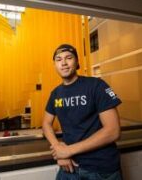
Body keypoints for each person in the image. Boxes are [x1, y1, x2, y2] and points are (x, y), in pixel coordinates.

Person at [42, 44, 123, 180]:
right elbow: (46, 123)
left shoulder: (96, 85)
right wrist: (58, 148)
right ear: (55, 65)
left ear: (77, 62)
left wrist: (67, 151)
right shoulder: (55, 93)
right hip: (69, 168)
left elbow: (113, 131)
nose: (64, 63)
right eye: (58, 59)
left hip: (101, 169)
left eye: (69, 58)